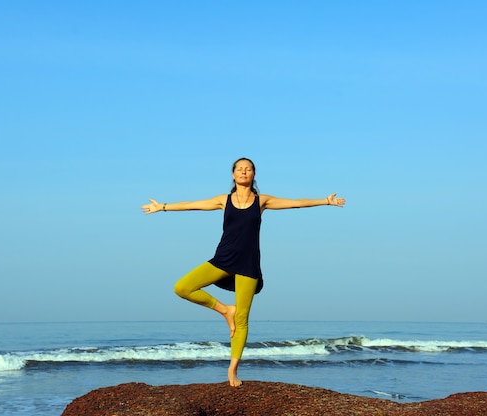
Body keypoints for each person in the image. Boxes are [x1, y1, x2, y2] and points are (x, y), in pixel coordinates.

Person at [141, 157, 345, 387]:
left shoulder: (262, 201)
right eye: (239, 169)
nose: (244, 172)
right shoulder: (223, 200)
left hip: (248, 264)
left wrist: (325, 201)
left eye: (248, 169)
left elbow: (295, 202)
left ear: (253, 174)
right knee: (182, 287)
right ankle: (224, 310)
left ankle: (232, 370)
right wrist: (163, 207)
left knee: (243, 318)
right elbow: (193, 204)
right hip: (223, 259)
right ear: (233, 174)